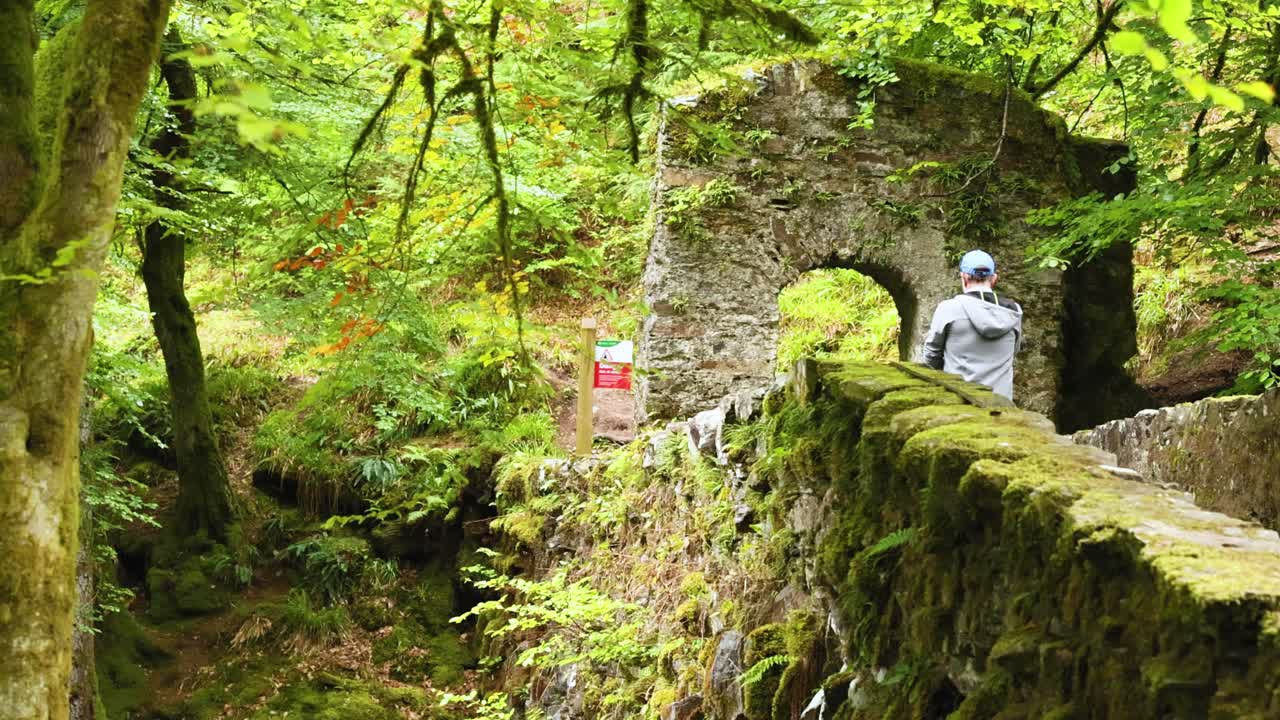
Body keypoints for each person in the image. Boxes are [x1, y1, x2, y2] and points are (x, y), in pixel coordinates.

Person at [922, 250, 1023, 400]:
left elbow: (931, 355)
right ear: (994, 278)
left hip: (958, 400)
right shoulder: (1013, 311)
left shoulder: (949, 309)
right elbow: (1014, 351)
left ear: (964, 277)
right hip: (1000, 403)